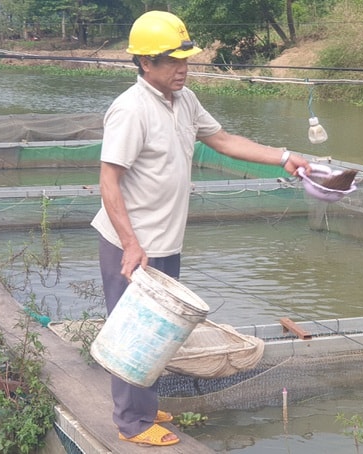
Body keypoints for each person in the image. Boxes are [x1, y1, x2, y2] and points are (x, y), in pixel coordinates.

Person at [91, 10, 311, 447]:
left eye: (185, 59)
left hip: (165, 240)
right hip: (131, 244)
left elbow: (224, 140)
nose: (182, 68)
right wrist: (131, 244)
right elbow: (107, 180)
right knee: (133, 332)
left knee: (160, 331)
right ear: (144, 64)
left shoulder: (184, 100)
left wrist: (284, 155)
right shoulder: (131, 110)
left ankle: (145, 405)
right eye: (172, 61)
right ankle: (130, 423)